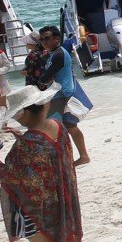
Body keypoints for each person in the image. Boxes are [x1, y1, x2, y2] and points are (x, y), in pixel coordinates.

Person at [0, 85, 83, 242]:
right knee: (67, 234)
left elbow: (10, 176)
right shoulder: (58, 127)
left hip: (40, 206)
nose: (18, 118)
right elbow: (49, 153)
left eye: (18, 114)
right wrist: (23, 137)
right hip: (64, 197)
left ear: (25, 113)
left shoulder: (28, 145)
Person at [29, 26, 91, 166]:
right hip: (60, 94)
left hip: (61, 95)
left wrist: (44, 79)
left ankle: (63, 160)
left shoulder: (59, 54)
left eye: (47, 38)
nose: (44, 41)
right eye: (42, 39)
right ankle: (83, 156)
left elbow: (44, 77)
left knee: (53, 128)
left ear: (56, 38)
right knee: (69, 126)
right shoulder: (53, 53)